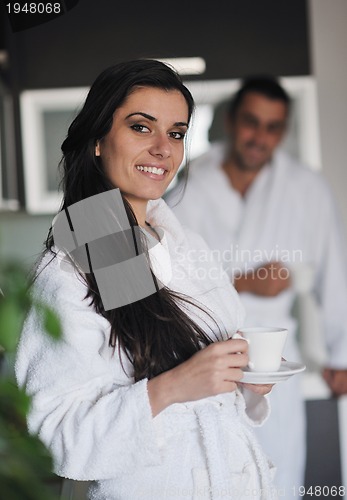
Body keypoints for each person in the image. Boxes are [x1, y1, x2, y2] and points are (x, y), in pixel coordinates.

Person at [15, 60, 278, 500]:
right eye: (141, 127)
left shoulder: (184, 244)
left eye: (176, 133)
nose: (163, 148)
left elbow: (206, 375)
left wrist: (244, 377)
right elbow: (57, 436)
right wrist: (175, 386)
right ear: (99, 140)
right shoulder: (76, 264)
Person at [165, 75, 347, 498]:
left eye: (272, 127)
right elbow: (167, 277)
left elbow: (334, 271)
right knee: (212, 478)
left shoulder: (306, 189)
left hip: (274, 360)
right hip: (202, 354)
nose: (259, 137)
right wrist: (245, 281)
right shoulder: (193, 180)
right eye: (251, 122)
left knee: (278, 479)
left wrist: (342, 353)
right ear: (231, 120)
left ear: (283, 131)